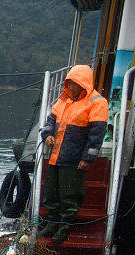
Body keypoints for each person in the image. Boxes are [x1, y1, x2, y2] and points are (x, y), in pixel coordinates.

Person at [39, 64, 107, 245]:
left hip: (74, 158)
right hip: (56, 156)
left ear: (83, 84)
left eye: (73, 83)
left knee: (70, 195)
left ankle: (64, 226)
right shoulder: (63, 100)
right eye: (68, 83)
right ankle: (51, 223)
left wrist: (87, 158)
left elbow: (97, 134)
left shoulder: (97, 102)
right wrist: (48, 135)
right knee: (50, 193)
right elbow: (50, 122)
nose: (70, 86)